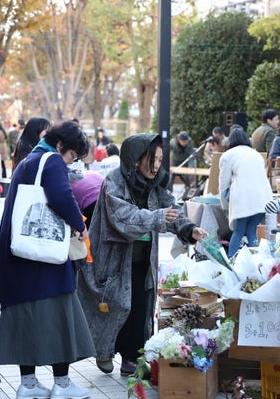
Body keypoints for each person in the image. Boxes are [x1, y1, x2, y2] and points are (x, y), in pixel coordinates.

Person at [76, 133, 208, 376]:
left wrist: (189, 229)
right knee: (114, 306)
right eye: (152, 159)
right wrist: (156, 217)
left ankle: (131, 359)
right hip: (115, 258)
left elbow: (171, 210)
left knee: (138, 308)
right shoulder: (114, 182)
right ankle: (104, 351)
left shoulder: (156, 182)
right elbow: (122, 218)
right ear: (136, 158)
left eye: (160, 160)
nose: (157, 165)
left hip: (143, 258)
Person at [0, 120, 96, 399]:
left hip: (17, 249)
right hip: (44, 253)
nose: (71, 162)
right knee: (59, 312)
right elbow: (61, 196)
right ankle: (62, 384)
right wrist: (79, 226)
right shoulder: (51, 160)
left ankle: (28, 384)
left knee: (26, 315)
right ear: (61, 145)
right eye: (72, 155)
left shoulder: (28, 160)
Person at [219, 124, 273, 258]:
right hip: (264, 198)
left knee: (238, 231)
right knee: (251, 231)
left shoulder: (228, 155)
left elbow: (223, 184)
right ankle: (256, 262)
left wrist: (224, 206)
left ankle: (231, 261)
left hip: (243, 199)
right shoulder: (256, 154)